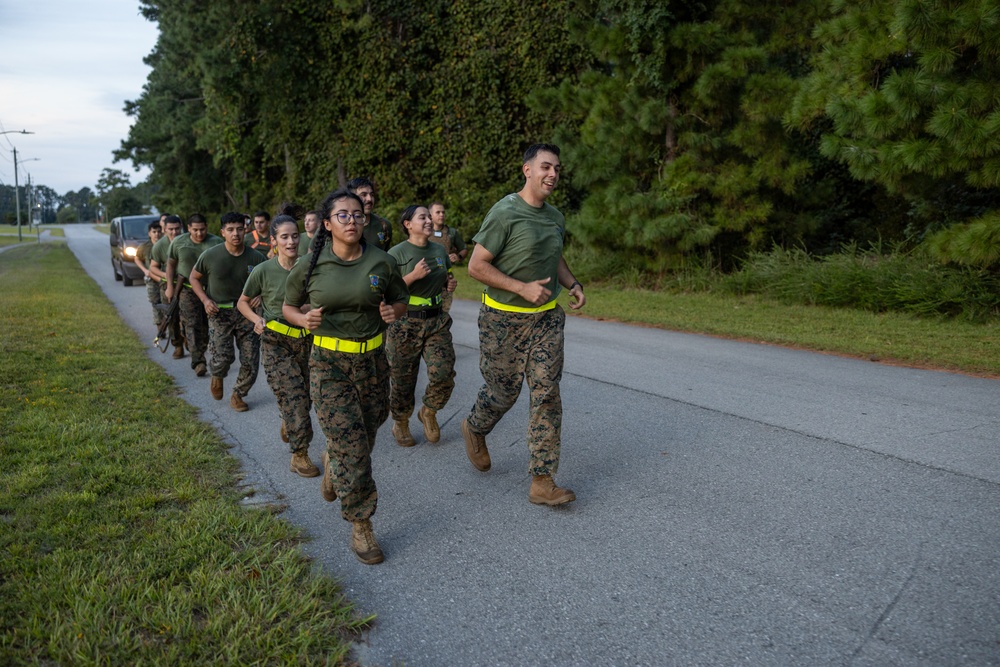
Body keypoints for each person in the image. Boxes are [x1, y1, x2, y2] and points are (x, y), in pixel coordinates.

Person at [282, 189, 408, 565]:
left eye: (357, 215)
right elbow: (288, 306)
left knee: (364, 436)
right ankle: (361, 523)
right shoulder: (310, 265)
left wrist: (394, 312)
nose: (352, 221)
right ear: (327, 224)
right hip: (328, 365)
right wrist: (303, 319)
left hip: (372, 362)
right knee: (354, 449)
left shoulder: (383, 262)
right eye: (343, 216)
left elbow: (401, 299)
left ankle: (335, 466)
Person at [461, 143, 586, 506]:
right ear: (527, 170)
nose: (553, 174)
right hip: (503, 321)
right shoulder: (505, 212)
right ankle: (475, 426)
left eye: (558, 169)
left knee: (546, 393)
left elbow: (554, 254)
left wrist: (572, 284)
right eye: (546, 167)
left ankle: (542, 481)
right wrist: (520, 287)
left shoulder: (555, 217)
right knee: (503, 393)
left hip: (546, 319)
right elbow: (476, 266)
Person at [238, 214, 320, 476]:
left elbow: (321, 301)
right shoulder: (263, 270)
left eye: (295, 235)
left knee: (305, 398)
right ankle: (300, 455)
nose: (291, 241)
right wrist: (256, 319)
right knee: (295, 399)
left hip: (308, 340)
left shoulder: (311, 267)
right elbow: (243, 301)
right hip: (276, 341)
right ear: (273, 240)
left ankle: (289, 419)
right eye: (284, 237)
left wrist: (307, 309)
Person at [387, 205, 458, 447]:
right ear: (408, 224)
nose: (428, 220)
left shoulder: (439, 250)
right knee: (402, 380)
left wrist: (449, 284)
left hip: (436, 320)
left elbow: (446, 276)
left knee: (444, 372)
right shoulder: (396, 254)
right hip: (405, 322)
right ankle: (401, 421)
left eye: (429, 216)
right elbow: (387, 292)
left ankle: (428, 411)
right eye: (422, 217)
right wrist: (412, 277)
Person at [190, 212, 267, 411]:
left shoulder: (256, 257)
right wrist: (205, 300)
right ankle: (217, 374)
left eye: (240, 229)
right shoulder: (210, 255)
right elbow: (194, 278)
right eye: (231, 230)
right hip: (219, 313)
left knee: (251, 359)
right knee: (222, 357)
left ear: (246, 230)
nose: (236, 234)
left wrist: (261, 295)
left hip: (247, 314)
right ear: (222, 232)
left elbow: (267, 283)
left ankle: (238, 394)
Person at [166, 214, 223, 377]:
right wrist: (169, 286)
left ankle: (202, 349)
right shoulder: (179, 242)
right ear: (189, 229)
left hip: (210, 289)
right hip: (187, 289)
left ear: (207, 227)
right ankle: (198, 361)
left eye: (202, 229)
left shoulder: (216, 242)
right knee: (191, 323)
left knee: (206, 325)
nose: (199, 233)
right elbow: (171, 264)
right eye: (195, 230)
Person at [149, 215, 185, 358]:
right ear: (164, 229)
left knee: (191, 317)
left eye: (177, 229)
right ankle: (178, 345)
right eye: (170, 229)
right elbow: (153, 268)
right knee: (172, 318)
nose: (174, 232)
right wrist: (167, 276)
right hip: (168, 286)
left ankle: (190, 340)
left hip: (188, 285)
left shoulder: (188, 241)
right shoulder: (159, 246)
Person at [427, 201, 468, 313]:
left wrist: (458, 256)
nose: (441, 215)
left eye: (443, 212)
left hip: (446, 278)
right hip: (427, 276)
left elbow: (464, 249)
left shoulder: (451, 232)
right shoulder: (425, 231)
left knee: (443, 312)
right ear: (430, 215)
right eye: (438, 212)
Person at [347, 176, 393, 251]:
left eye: (372, 195)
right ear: (352, 198)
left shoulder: (384, 225)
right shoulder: (343, 225)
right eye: (363, 195)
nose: (369, 199)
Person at [134, 219, 163, 329]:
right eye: (154, 232)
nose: (157, 234)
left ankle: (168, 325)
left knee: (167, 303)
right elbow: (137, 258)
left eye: (159, 232)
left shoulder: (165, 244)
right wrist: (144, 270)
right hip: (151, 279)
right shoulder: (145, 246)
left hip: (164, 278)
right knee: (155, 303)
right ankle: (159, 327)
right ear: (149, 233)